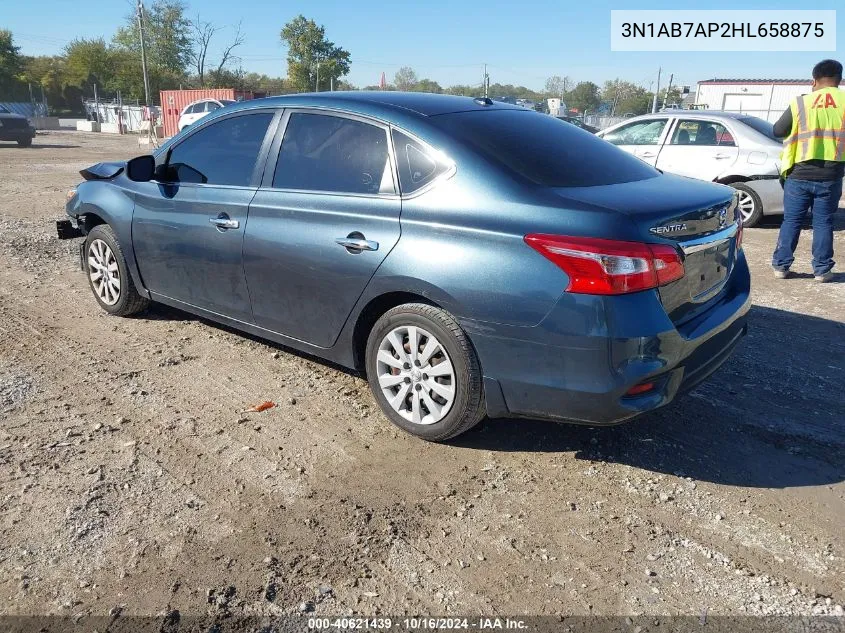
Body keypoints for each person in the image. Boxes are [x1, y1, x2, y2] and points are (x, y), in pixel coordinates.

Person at [771, 59, 844, 282]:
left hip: (798, 173)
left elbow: (777, 130)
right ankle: (822, 270)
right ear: (839, 81)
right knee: (823, 222)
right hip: (831, 174)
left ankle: (781, 267)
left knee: (792, 220)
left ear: (814, 80)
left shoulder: (801, 103)